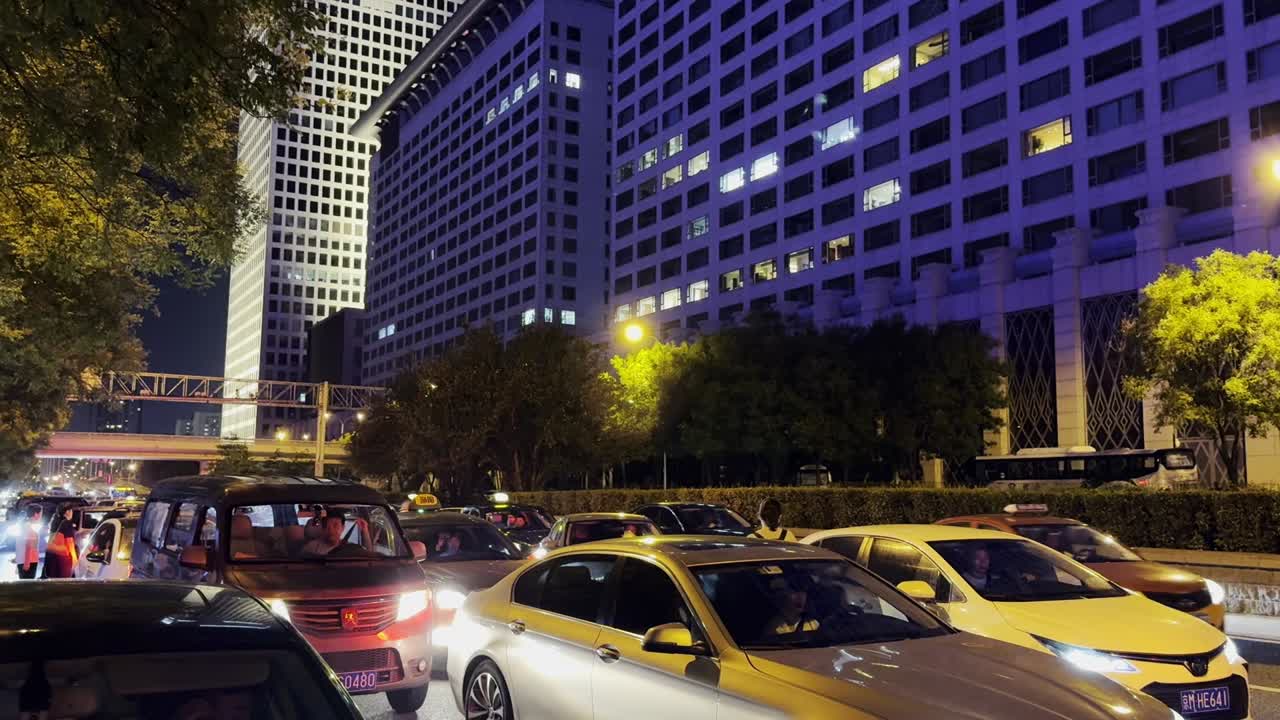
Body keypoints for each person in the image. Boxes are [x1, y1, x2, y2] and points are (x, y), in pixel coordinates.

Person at [301, 513, 368, 556]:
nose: (331, 530)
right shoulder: (311, 547)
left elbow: (369, 558)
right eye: (327, 526)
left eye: (335, 525)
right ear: (323, 528)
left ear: (343, 528)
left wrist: (365, 531)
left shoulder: (352, 548)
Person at [41, 504, 78, 579]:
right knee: (63, 581)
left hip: (51, 555)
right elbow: (70, 543)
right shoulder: (66, 523)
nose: (72, 513)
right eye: (71, 511)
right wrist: (74, 560)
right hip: (63, 557)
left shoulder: (54, 521)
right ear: (67, 512)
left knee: (53, 579)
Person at [13, 506, 41, 579]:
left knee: (24, 582)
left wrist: (17, 558)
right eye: (40, 513)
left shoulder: (24, 524)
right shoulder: (29, 526)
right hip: (29, 560)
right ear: (36, 514)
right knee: (28, 583)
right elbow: (29, 545)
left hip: (23, 560)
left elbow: (20, 544)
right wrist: (27, 562)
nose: (41, 516)